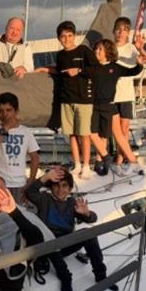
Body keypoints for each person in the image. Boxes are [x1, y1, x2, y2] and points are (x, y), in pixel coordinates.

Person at [25, 165, 117, 291]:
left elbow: (92, 219)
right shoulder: (44, 199)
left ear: (70, 188)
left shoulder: (72, 203)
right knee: (50, 240)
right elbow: (30, 192)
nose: (60, 189)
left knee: (89, 233)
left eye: (64, 186)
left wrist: (86, 213)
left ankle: (101, 276)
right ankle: (66, 278)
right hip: (47, 245)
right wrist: (45, 177)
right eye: (56, 185)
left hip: (66, 243)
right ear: (51, 187)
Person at [85, 39, 145, 176]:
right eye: (96, 49)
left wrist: (139, 65)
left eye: (100, 49)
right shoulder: (92, 68)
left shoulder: (115, 67)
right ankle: (104, 161)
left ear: (108, 52)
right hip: (95, 107)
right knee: (96, 135)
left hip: (110, 106)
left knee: (119, 136)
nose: (96, 51)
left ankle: (133, 162)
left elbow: (132, 71)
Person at [55, 20, 97, 179]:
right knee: (71, 134)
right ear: (59, 38)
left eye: (70, 35)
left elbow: (95, 70)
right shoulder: (59, 55)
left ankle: (86, 166)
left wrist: (78, 70)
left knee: (84, 134)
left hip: (84, 100)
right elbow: (58, 72)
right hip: (66, 99)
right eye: (63, 36)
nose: (67, 39)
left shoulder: (84, 51)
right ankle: (77, 164)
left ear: (75, 36)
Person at [112, 16, 146, 171]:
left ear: (128, 34)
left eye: (125, 31)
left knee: (124, 130)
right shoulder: (109, 48)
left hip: (126, 95)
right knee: (116, 133)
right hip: (111, 95)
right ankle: (122, 160)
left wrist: (141, 48)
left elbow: (145, 59)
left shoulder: (131, 48)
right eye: (119, 30)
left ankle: (120, 163)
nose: (121, 33)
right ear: (114, 31)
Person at [0, 92, 40, 200]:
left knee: (17, 214)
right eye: (1, 111)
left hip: (19, 184)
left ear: (16, 111)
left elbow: (35, 158)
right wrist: (6, 128)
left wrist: (31, 181)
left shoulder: (25, 131)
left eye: (8, 110)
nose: (5, 114)